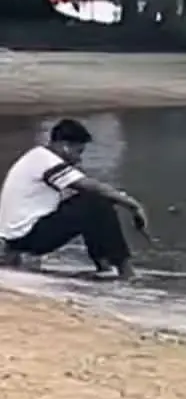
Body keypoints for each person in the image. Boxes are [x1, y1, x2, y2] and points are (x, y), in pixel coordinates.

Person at [0, 118, 148, 279]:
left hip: (18, 236)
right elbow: (91, 186)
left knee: (92, 205)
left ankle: (104, 266)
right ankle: (125, 270)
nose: (79, 159)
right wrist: (132, 205)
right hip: (25, 237)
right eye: (78, 152)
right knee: (95, 201)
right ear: (65, 146)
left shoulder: (37, 156)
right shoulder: (46, 161)